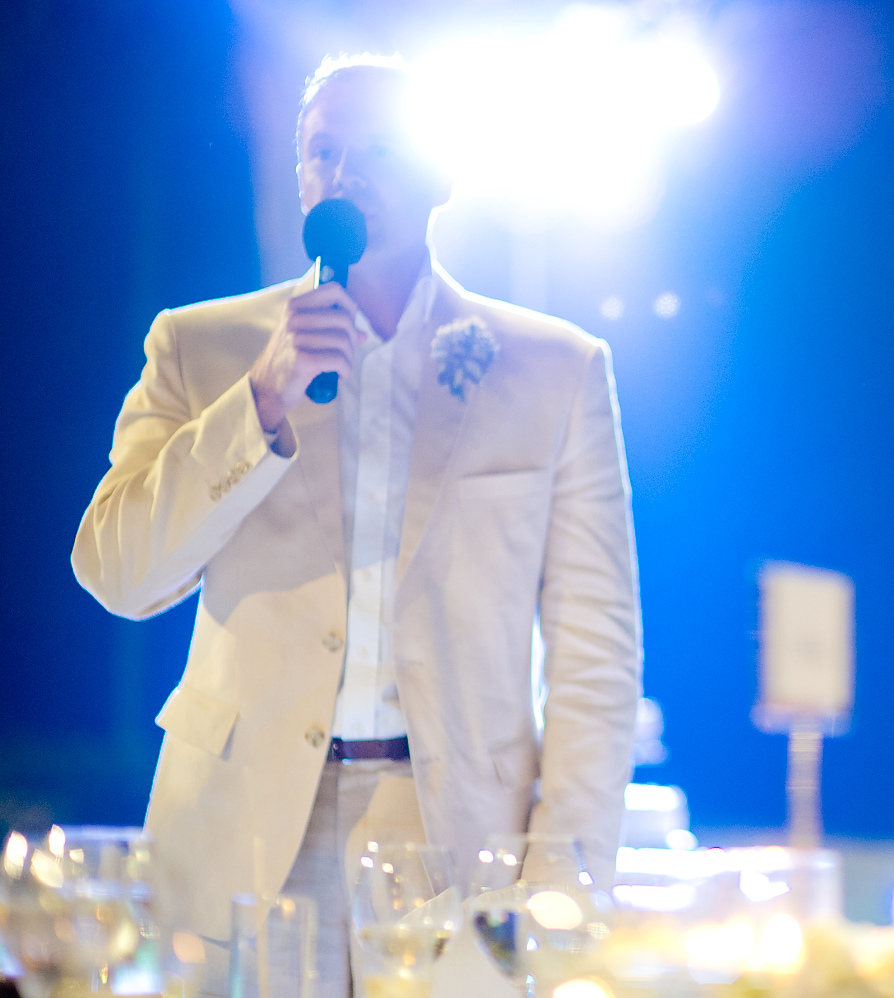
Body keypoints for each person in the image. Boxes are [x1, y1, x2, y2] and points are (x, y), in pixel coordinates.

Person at [71, 54, 642, 996]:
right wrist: (260, 401)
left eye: (379, 150)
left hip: (457, 839)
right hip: (237, 833)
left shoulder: (556, 369)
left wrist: (561, 888)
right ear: (301, 176)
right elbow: (118, 573)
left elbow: (596, 656)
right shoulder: (201, 346)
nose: (346, 173)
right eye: (324, 150)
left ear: (443, 174)